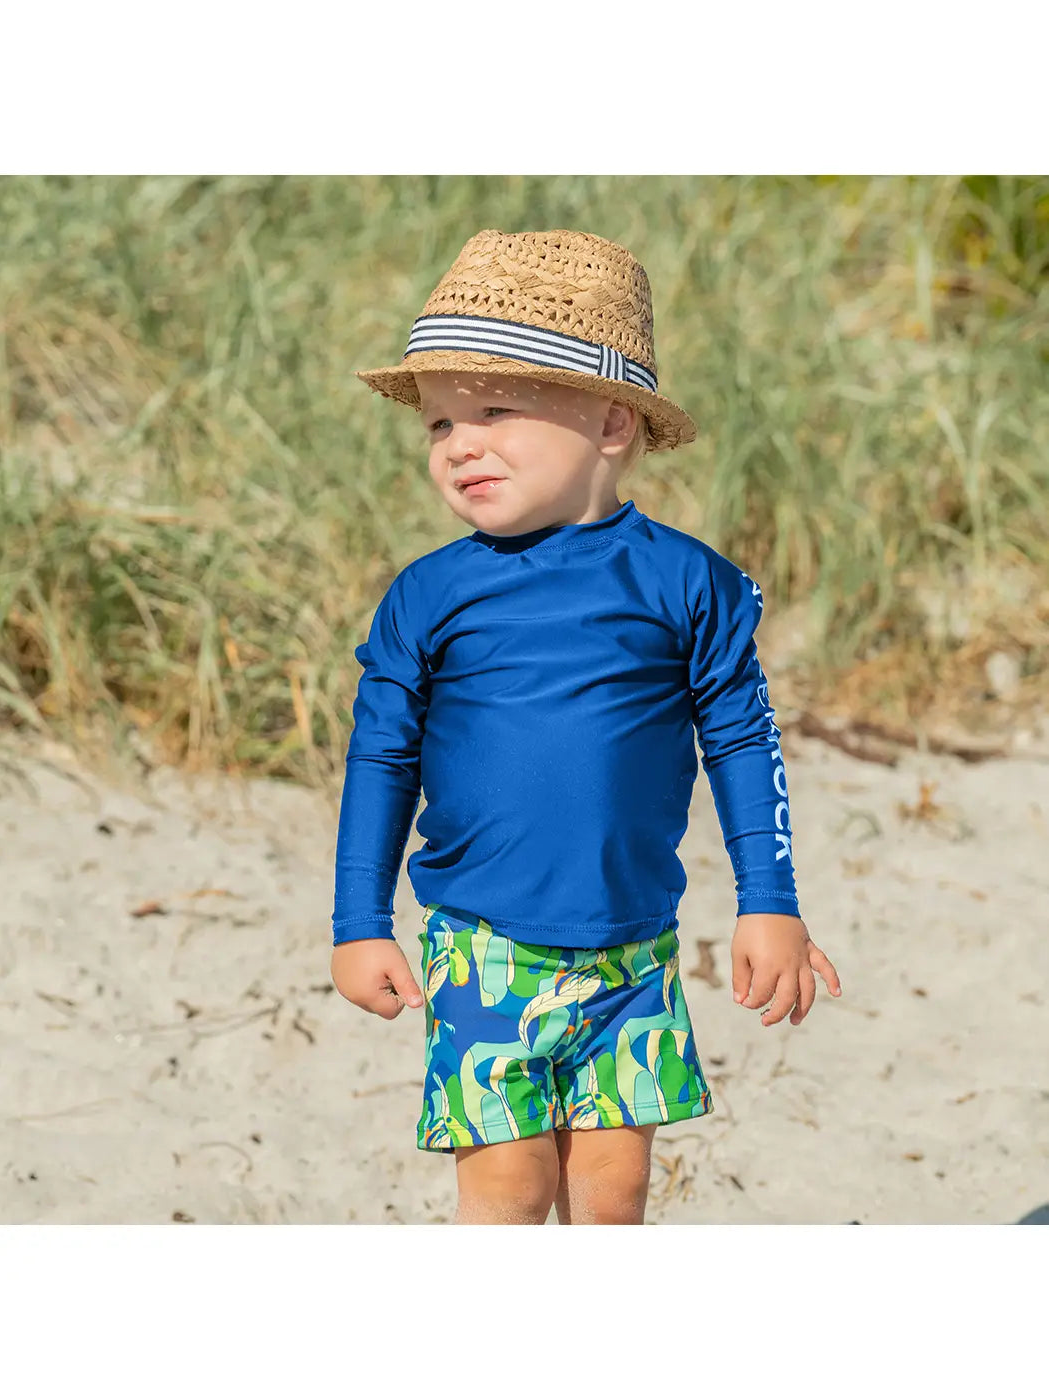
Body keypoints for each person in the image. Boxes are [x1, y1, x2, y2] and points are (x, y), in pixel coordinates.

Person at [330, 227, 841, 1225]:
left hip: (633, 953)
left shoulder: (687, 581)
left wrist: (768, 899)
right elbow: (381, 756)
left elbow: (741, 740)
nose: (458, 443)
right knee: (509, 1193)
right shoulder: (430, 595)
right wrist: (358, 921)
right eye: (438, 424)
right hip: (483, 949)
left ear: (612, 422)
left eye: (493, 410)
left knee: (613, 1201)